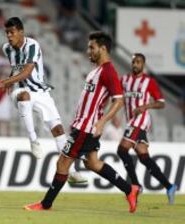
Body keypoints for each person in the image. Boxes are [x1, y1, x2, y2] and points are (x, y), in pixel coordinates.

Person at [24, 31, 140, 213]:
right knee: (93, 163)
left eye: (91, 47)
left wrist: (101, 122)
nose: (88, 51)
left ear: (103, 48)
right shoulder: (97, 70)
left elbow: (119, 100)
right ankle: (129, 189)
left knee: (63, 162)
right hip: (83, 125)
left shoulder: (108, 71)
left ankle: (45, 204)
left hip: (86, 128)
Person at [0, 17, 87, 186]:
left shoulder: (32, 45)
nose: (9, 36)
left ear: (21, 32)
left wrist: (4, 82)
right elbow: (16, 69)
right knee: (24, 96)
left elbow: (26, 72)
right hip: (19, 90)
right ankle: (33, 140)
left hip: (41, 92)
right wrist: (10, 81)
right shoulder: (7, 49)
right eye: (7, 33)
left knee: (59, 130)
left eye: (12, 32)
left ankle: (71, 172)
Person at [117, 53, 177, 204]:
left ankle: (135, 185)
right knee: (144, 158)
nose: (135, 64)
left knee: (122, 150)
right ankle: (169, 186)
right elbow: (116, 95)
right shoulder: (124, 80)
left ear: (143, 64)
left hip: (140, 121)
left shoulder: (149, 82)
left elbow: (161, 103)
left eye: (138, 62)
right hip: (131, 121)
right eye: (133, 62)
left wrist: (145, 106)